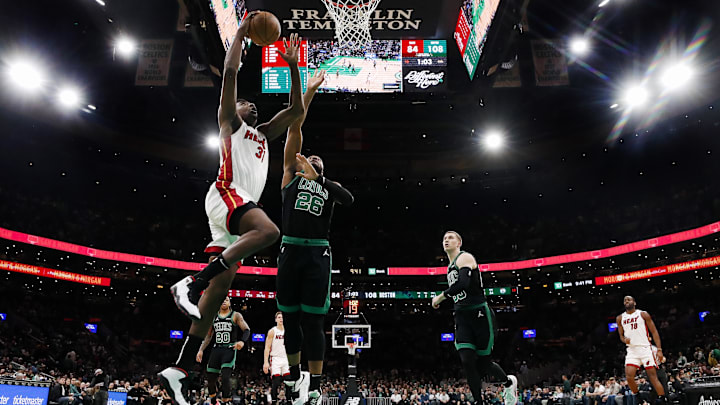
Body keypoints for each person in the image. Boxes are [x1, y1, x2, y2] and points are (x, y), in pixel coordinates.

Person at [160, 10, 305, 404]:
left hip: (237, 209)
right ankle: (190, 281)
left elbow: (295, 113)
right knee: (270, 232)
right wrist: (240, 32)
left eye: (254, 106)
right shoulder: (229, 122)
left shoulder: (263, 134)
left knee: (211, 305)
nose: (251, 107)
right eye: (246, 104)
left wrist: (294, 68)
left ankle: (179, 368)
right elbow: (229, 73)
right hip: (228, 192)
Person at [277, 68, 354, 405]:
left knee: (314, 322)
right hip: (290, 249)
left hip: (317, 255)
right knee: (290, 320)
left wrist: (320, 178)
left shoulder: (328, 187)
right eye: (309, 155)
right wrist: (308, 91)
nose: (312, 156)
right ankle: (295, 378)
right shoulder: (290, 178)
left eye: (317, 160)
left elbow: (348, 199)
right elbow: (296, 125)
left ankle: (318, 385)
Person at [431, 231, 518, 405]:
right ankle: (479, 402)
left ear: (459, 243)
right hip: (462, 317)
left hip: (479, 315)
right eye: (444, 239)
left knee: (484, 364)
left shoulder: (465, 258)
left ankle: (509, 383)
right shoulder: (449, 267)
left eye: (450, 238)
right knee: (467, 361)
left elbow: (463, 283)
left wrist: (440, 297)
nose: (446, 240)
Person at [195, 297, 250, 405]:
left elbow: (247, 330)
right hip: (216, 349)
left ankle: (226, 400)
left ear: (230, 303)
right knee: (210, 379)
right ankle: (214, 401)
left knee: (225, 378)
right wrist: (201, 350)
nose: (224, 301)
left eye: (227, 299)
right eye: (222, 299)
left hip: (229, 349)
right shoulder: (214, 316)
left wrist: (242, 342)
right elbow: (209, 336)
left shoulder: (235, 315)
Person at [616, 296, 668, 405]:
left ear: (634, 302)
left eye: (629, 300)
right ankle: (638, 398)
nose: (626, 301)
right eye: (625, 300)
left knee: (652, 377)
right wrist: (624, 340)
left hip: (645, 349)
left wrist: (659, 349)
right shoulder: (620, 318)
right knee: (629, 377)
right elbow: (621, 335)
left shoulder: (643, 314)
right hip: (632, 350)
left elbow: (654, 332)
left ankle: (663, 399)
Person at [264, 312, 290, 404]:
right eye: (279, 317)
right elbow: (267, 347)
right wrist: (265, 362)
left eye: (282, 317)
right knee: (276, 382)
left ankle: (289, 400)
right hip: (275, 358)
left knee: (289, 382)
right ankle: (274, 401)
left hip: (286, 358)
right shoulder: (272, 331)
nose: (281, 319)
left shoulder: (289, 330)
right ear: (276, 319)